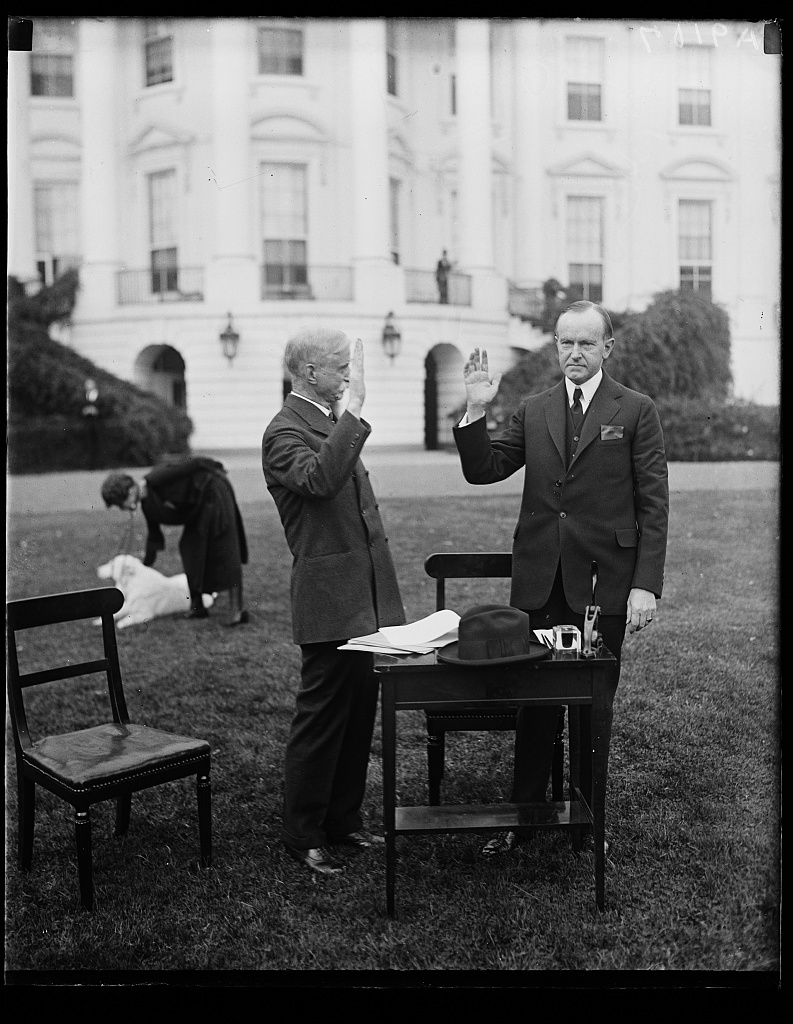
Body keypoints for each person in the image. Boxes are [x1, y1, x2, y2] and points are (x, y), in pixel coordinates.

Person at [453, 300, 669, 856]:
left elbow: (653, 505)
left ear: (607, 349)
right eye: (565, 343)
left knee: (593, 703)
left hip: (604, 585)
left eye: (586, 344)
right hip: (540, 584)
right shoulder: (535, 408)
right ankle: (524, 817)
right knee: (536, 702)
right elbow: (484, 470)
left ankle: (586, 822)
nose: (574, 353)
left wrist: (644, 584)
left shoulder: (636, 410)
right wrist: (476, 410)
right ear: (556, 345)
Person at [262, 326, 406, 877]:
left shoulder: (323, 421)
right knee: (322, 719)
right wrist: (358, 409)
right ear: (308, 373)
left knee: (356, 714)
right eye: (340, 366)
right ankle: (302, 832)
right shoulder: (283, 432)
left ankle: (343, 820)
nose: (348, 375)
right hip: (328, 600)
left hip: (362, 596)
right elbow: (321, 482)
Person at [100, 456, 249, 626]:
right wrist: (143, 567)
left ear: (129, 492)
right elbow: (154, 536)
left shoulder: (157, 478)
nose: (122, 508)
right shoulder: (148, 504)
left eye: (120, 504)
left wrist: (218, 467)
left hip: (215, 490)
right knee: (189, 547)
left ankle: (237, 611)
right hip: (199, 507)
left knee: (224, 546)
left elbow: (194, 463)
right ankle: (197, 606)